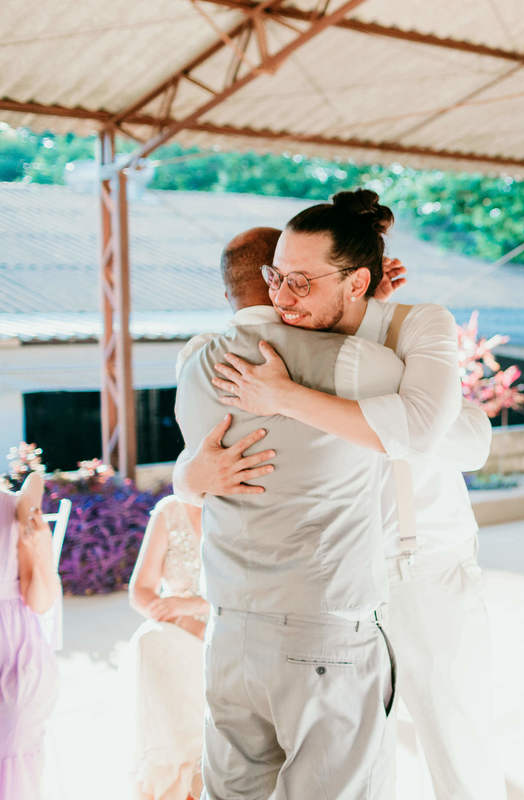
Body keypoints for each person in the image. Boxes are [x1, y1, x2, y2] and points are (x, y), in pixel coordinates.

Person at [179, 190, 502, 800]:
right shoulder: (272, 351)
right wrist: (192, 479)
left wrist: (299, 398)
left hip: (423, 564)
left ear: (353, 282)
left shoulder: (405, 328)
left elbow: (464, 441)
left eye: (299, 281)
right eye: (277, 279)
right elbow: (200, 456)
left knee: (454, 744)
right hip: (337, 584)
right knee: (364, 760)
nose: (279, 298)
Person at [173, 220, 402, 799]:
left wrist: (188, 480)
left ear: (229, 291)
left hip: (229, 628)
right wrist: (368, 307)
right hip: (322, 630)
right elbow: (439, 431)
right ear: (275, 279)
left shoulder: (194, 366)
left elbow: (189, 471)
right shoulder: (356, 363)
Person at [127, 495, 208, 800]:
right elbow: (141, 591)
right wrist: (180, 617)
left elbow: (258, 592)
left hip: (232, 625)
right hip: (178, 629)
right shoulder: (169, 511)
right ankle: (174, 787)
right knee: (152, 642)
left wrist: (193, 607)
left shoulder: (246, 504)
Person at [0, 471, 60, 799]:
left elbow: (39, 601)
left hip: (14, 652)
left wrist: (40, 547)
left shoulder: (13, 508)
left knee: (13, 727)